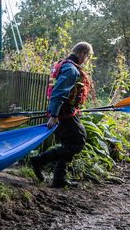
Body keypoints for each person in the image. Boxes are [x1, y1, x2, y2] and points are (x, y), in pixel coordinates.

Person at [30, 42, 93, 188]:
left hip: (66, 111)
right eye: (88, 56)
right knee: (78, 140)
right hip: (62, 113)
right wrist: (53, 115)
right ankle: (39, 161)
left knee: (68, 142)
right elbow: (59, 92)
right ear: (83, 53)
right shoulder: (71, 69)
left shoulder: (64, 64)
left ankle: (59, 178)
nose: (87, 59)